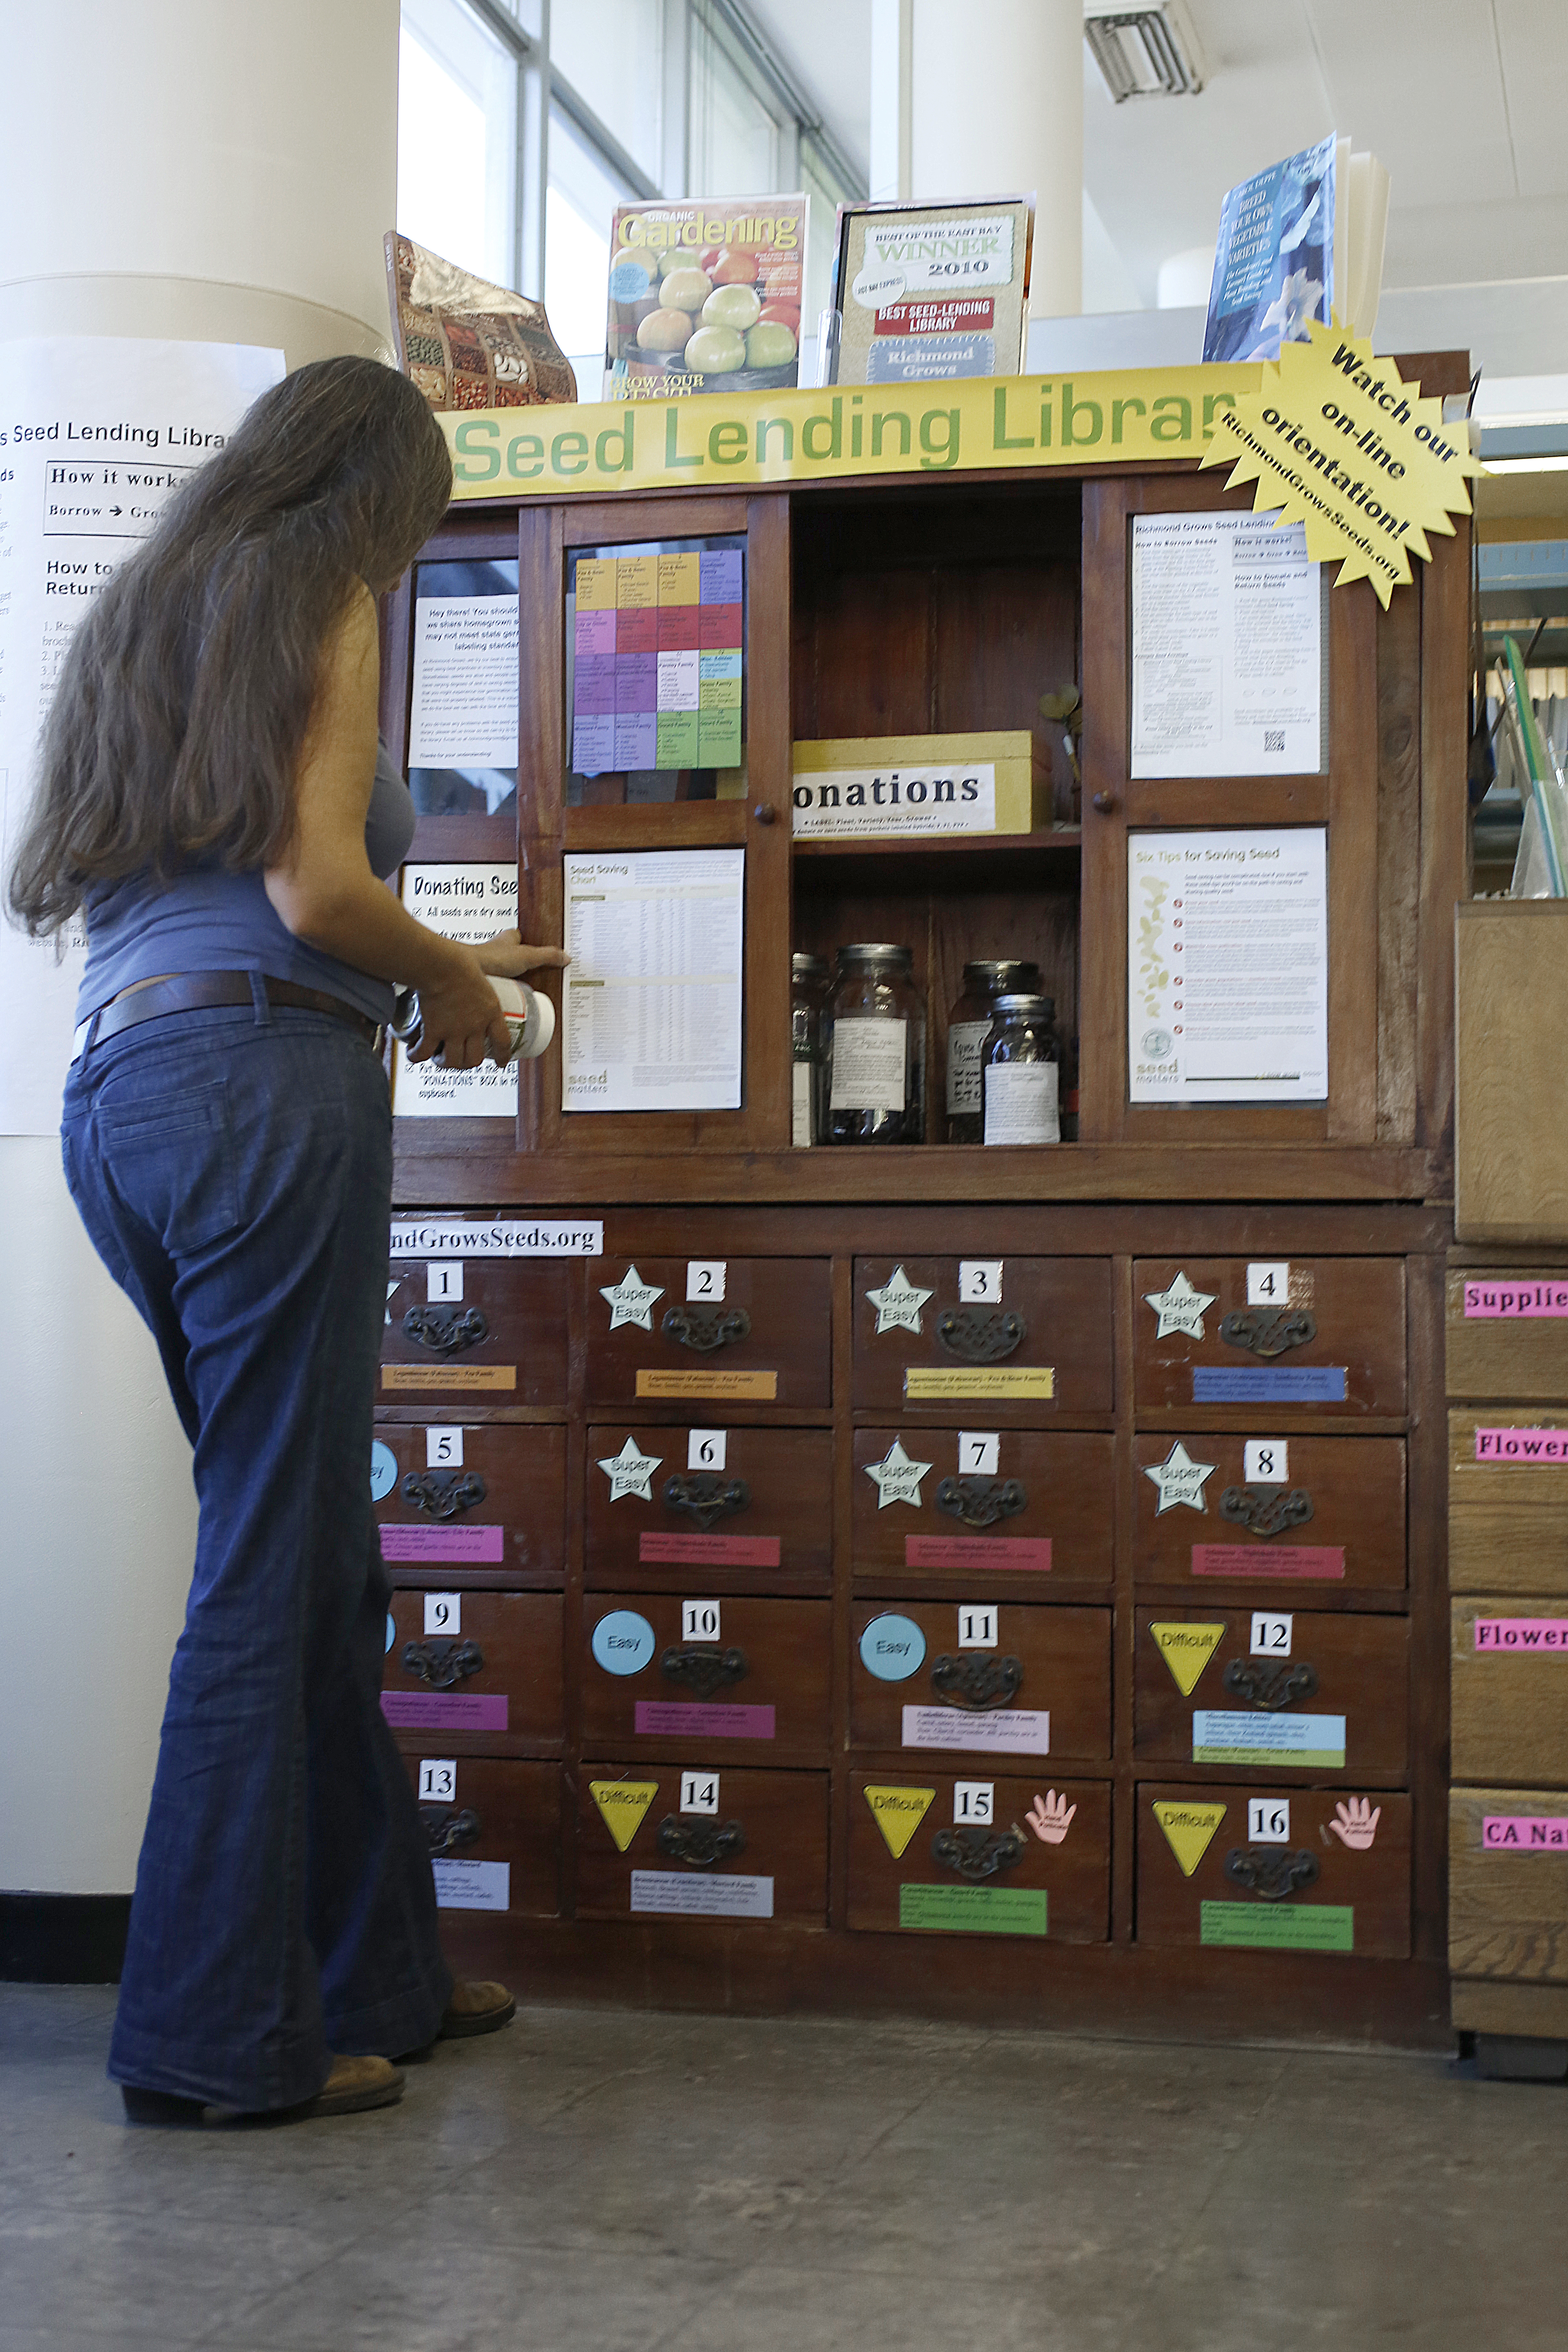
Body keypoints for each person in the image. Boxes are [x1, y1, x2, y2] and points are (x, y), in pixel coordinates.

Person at [7, 355, 566, 2125]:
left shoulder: (152, 605)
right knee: (268, 1565)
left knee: (315, 1548)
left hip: (130, 1095)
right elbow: (320, 889)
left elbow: (225, 892)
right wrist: (461, 986)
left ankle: (375, 1972)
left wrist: (466, 977)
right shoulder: (320, 590)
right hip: (262, 1094)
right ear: (377, 496)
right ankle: (206, 2041)